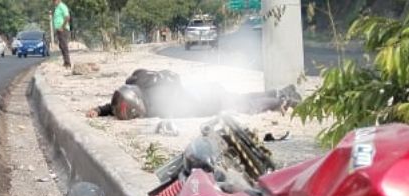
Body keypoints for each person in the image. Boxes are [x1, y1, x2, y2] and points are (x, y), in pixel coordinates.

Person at [86, 69, 301, 119]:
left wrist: (101, 109)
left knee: (246, 106)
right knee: (241, 97)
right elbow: (122, 97)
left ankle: (282, 99)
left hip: (208, 101)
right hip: (205, 91)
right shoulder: (143, 80)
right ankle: (279, 92)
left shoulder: (158, 106)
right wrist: (101, 109)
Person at [52, 0, 71, 68]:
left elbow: (67, 17)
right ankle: (65, 62)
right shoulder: (57, 8)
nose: (53, 2)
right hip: (59, 30)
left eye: (54, 0)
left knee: (64, 45)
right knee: (61, 45)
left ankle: (67, 63)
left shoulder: (62, 6)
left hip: (63, 29)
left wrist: (62, 27)